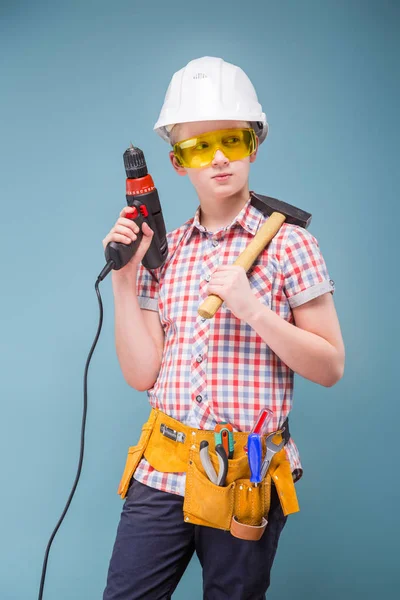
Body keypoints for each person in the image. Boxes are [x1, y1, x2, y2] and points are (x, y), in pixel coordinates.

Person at [102, 56, 345, 599]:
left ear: (253, 144)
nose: (217, 159)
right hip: (162, 469)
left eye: (231, 141)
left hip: (245, 479)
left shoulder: (290, 245)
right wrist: (124, 278)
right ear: (175, 162)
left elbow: (331, 366)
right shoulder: (163, 254)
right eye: (197, 148)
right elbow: (142, 374)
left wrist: (255, 310)